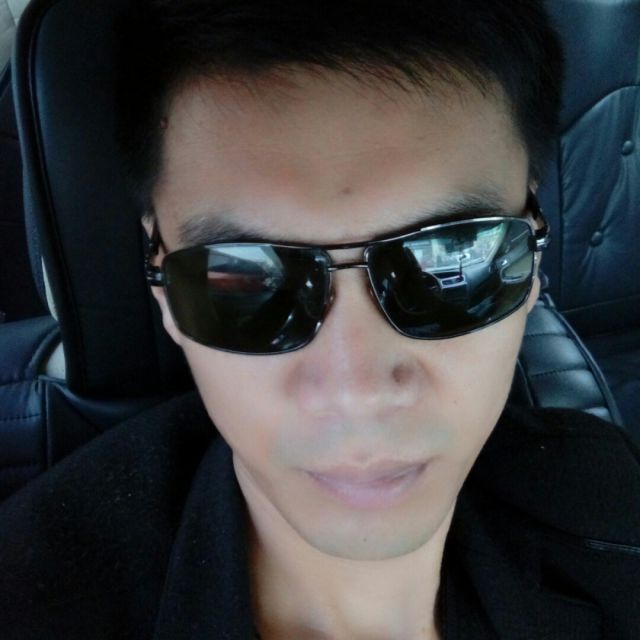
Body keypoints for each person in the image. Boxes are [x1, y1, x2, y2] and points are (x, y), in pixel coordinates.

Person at [1, 1, 639, 638]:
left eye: (454, 258)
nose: (356, 390)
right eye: (246, 279)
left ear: (532, 260)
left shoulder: (611, 510)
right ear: (163, 289)